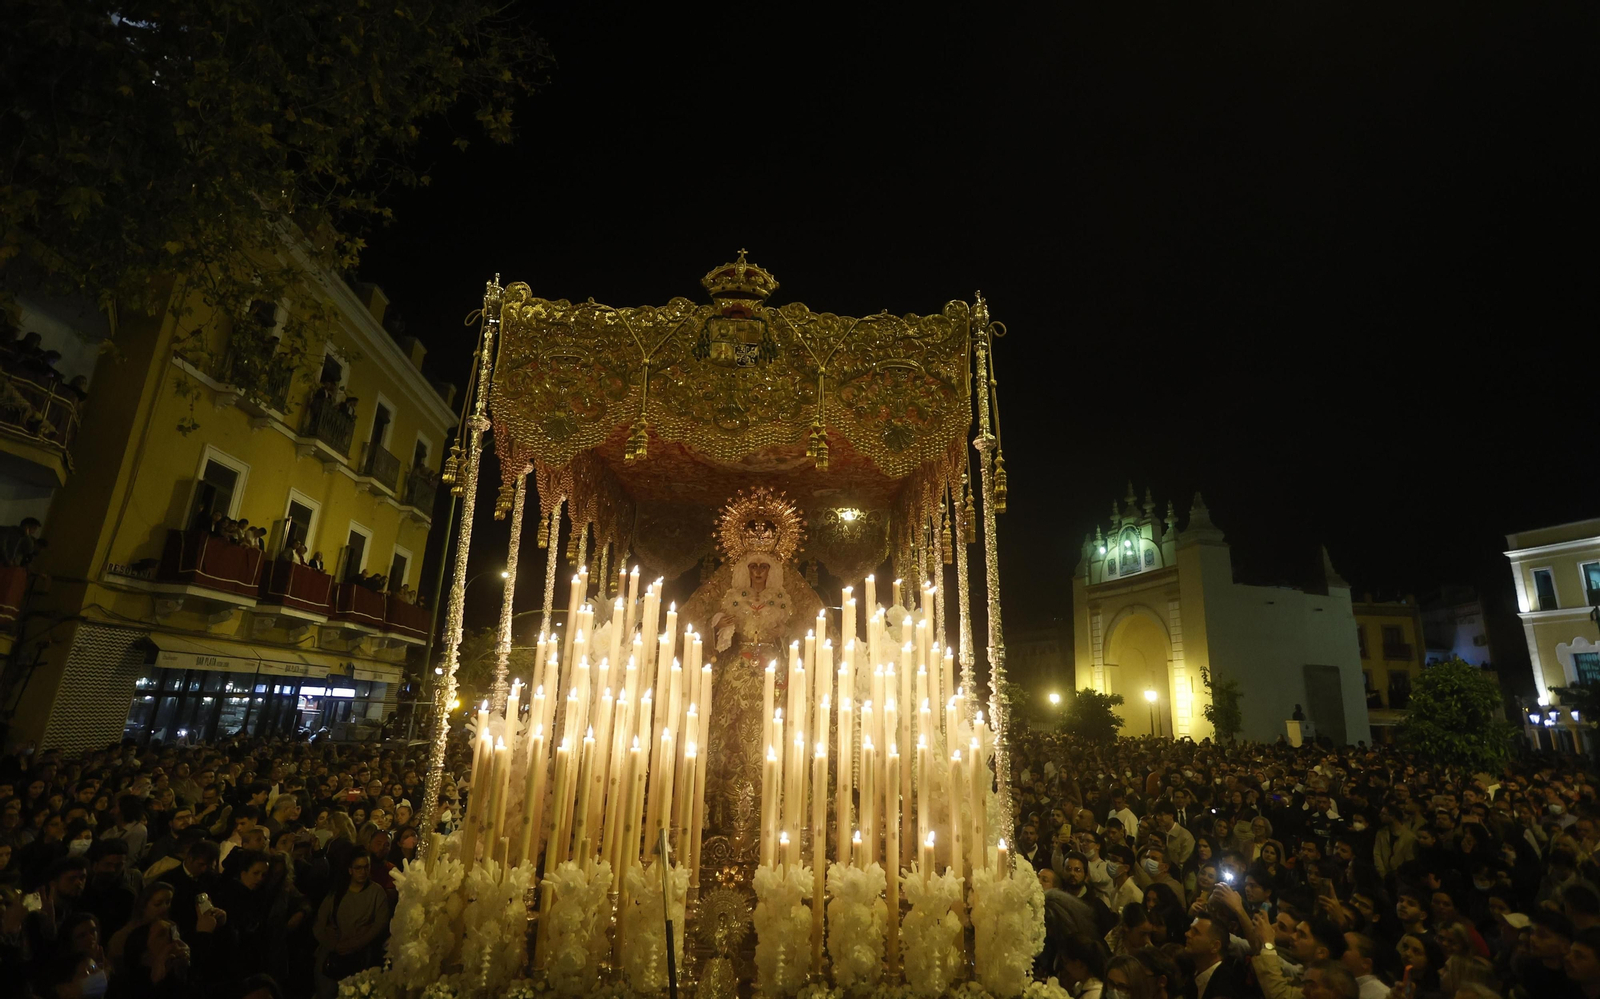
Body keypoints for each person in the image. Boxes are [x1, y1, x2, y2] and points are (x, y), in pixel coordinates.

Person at [311, 849, 388, 999]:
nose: (363, 872)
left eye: (366, 867)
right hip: (332, 955)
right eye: (358, 868)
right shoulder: (338, 892)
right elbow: (319, 923)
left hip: (360, 957)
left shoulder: (376, 893)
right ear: (350, 870)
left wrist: (357, 943)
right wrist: (333, 944)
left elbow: (380, 922)